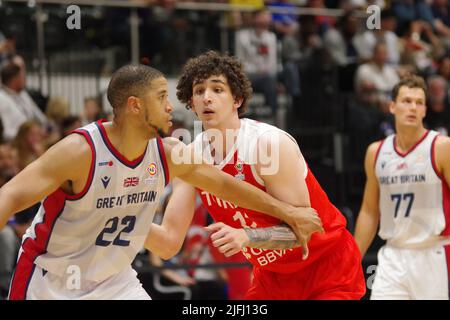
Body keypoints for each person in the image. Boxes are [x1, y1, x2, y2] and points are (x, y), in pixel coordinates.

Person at [0, 64, 321, 300]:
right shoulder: (80, 151)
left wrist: (288, 212)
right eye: (161, 97)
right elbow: (10, 197)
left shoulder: (169, 153)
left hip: (116, 282)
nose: (172, 106)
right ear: (135, 106)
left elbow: (224, 185)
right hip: (50, 281)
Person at [145, 51, 366, 300]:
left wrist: (246, 236)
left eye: (217, 90)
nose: (207, 98)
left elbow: (305, 229)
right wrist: (125, 220)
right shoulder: (190, 159)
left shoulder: (267, 145)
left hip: (325, 266)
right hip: (273, 276)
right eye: (198, 91)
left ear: (237, 99)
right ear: (191, 103)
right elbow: (168, 243)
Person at [354, 75, 450, 300]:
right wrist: (352, 259)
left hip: (433, 254)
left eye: (419, 103)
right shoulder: (376, 152)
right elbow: (369, 211)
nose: (413, 107)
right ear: (392, 106)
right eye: (406, 101)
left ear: (425, 110)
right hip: (393, 254)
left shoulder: (441, 147)